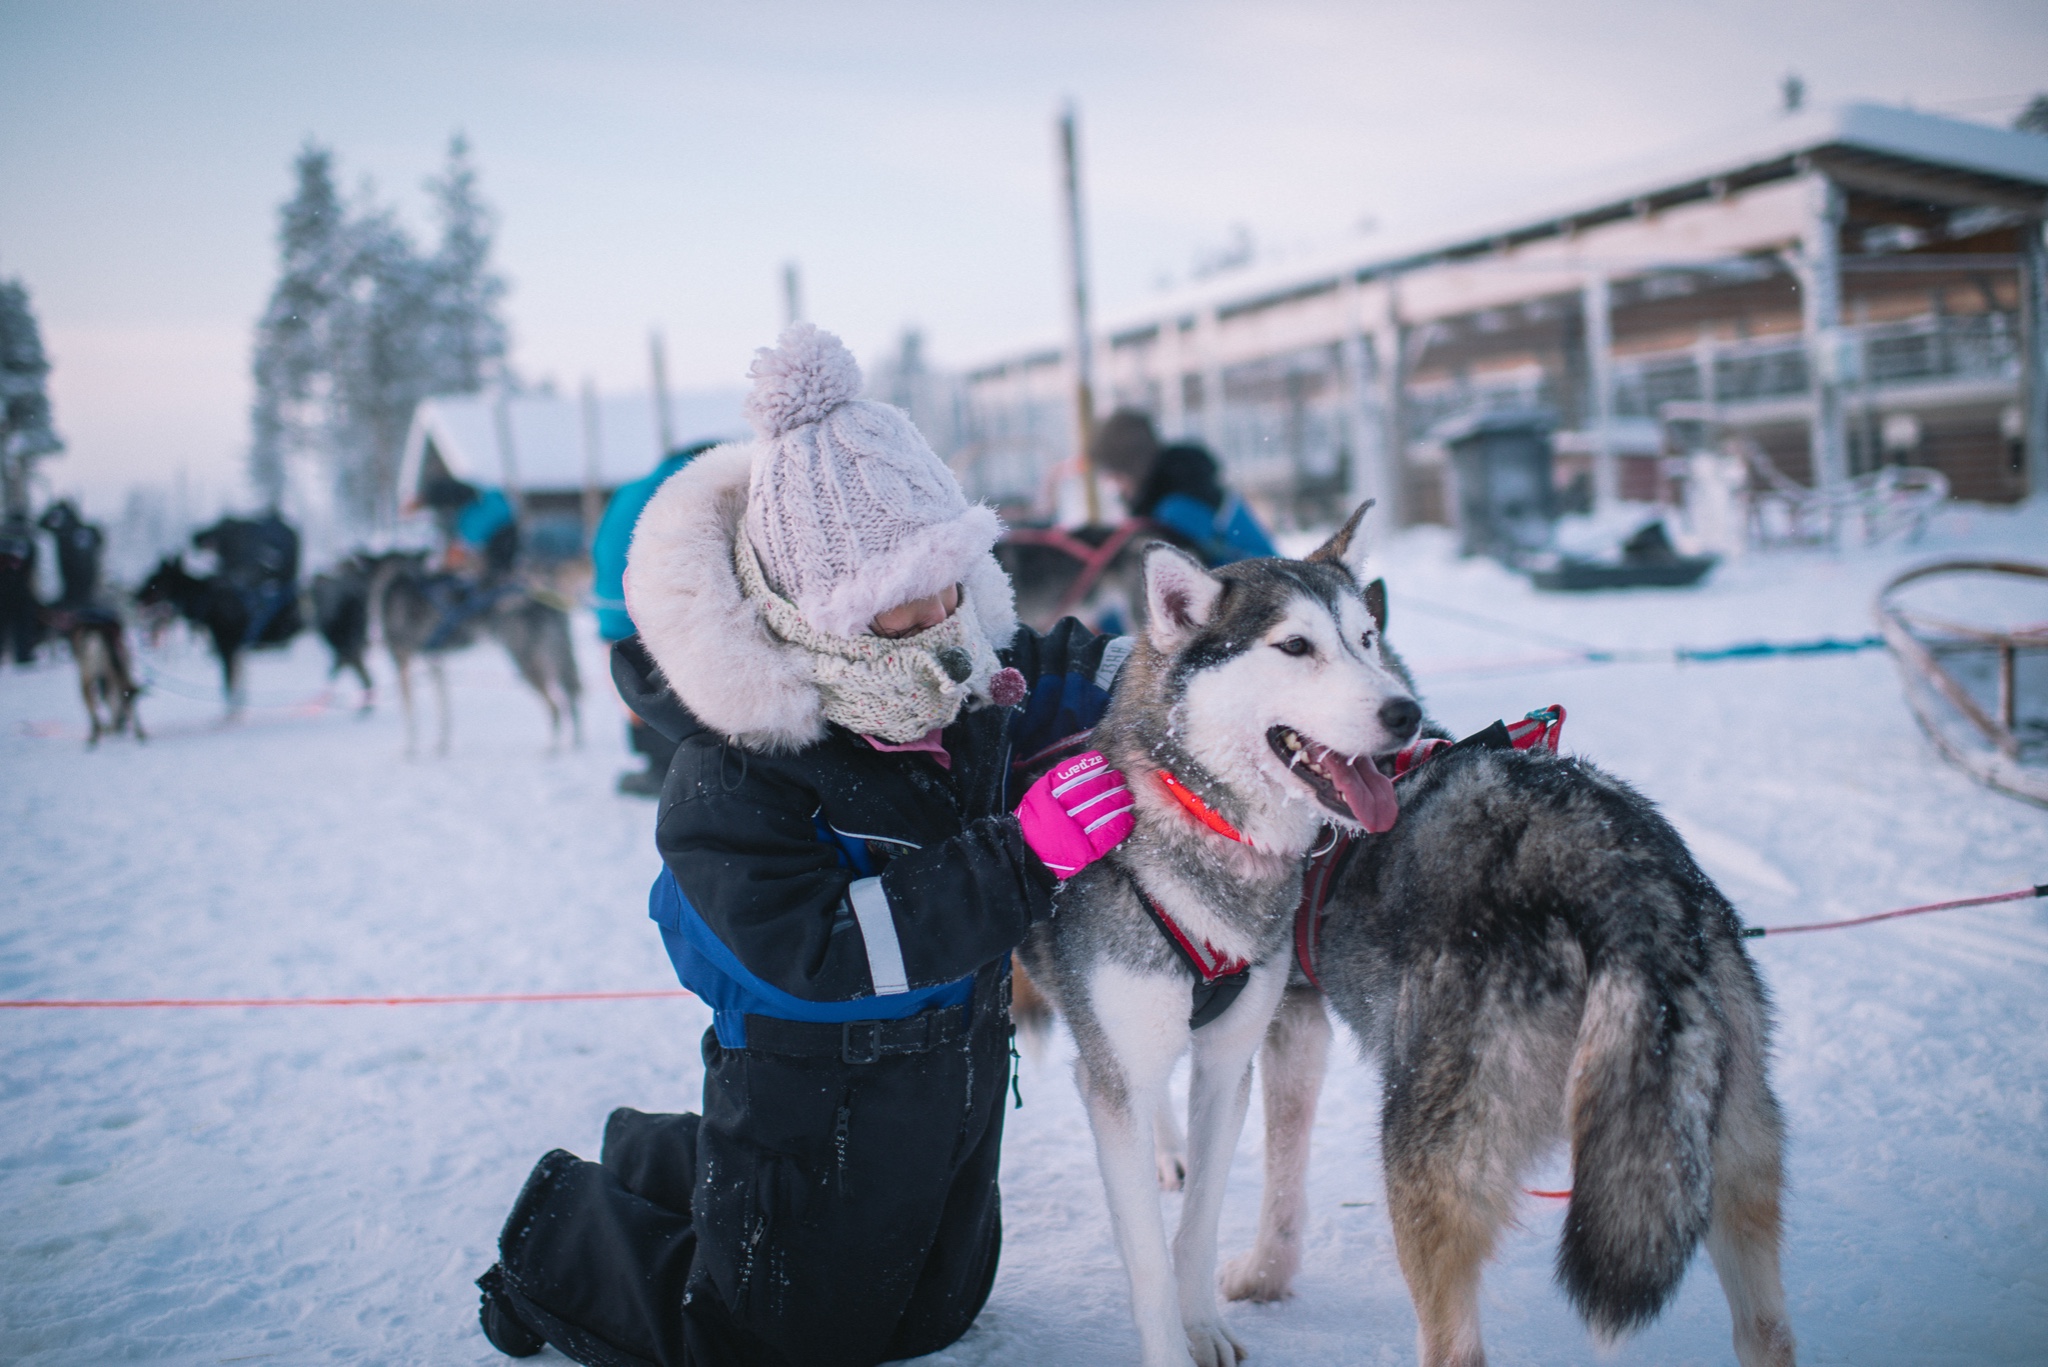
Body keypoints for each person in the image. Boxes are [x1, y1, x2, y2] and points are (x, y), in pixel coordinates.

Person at [475, 324, 1138, 1367]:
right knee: (768, 1343)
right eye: (897, 599)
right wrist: (1022, 855)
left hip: (953, 1085)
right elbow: (822, 950)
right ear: (810, 612)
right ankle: (558, 1240)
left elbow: (1050, 667)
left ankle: (669, 1160)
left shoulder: (950, 669)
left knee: (937, 1311)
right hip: (816, 1103)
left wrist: (1195, 667)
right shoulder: (737, 771)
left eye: (950, 582)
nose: (937, 618)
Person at [590, 439, 723, 796]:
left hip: (612, 613)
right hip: (657, 610)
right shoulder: (700, 487)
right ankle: (678, 770)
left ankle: (655, 764)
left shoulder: (632, 489)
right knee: (684, 690)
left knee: (638, 688)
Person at [1089, 408, 1278, 564]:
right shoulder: (1174, 491)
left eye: (1116, 477)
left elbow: (1201, 572)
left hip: (1260, 593)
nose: (1115, 488)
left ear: (1134, 469)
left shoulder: (1177, 508)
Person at [37, 499, 106, 610]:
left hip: (71, 586)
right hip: (87, 588)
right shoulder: (88, 530)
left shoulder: (64, 530)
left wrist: (54, 510)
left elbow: (41, 523)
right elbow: (101, 541)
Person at [0, 513, 42, 664]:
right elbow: (31, 566)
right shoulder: (27, 540)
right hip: (21, 589)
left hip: (2, 589)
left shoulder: (2, 538)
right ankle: (24, 655)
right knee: (23, 625)